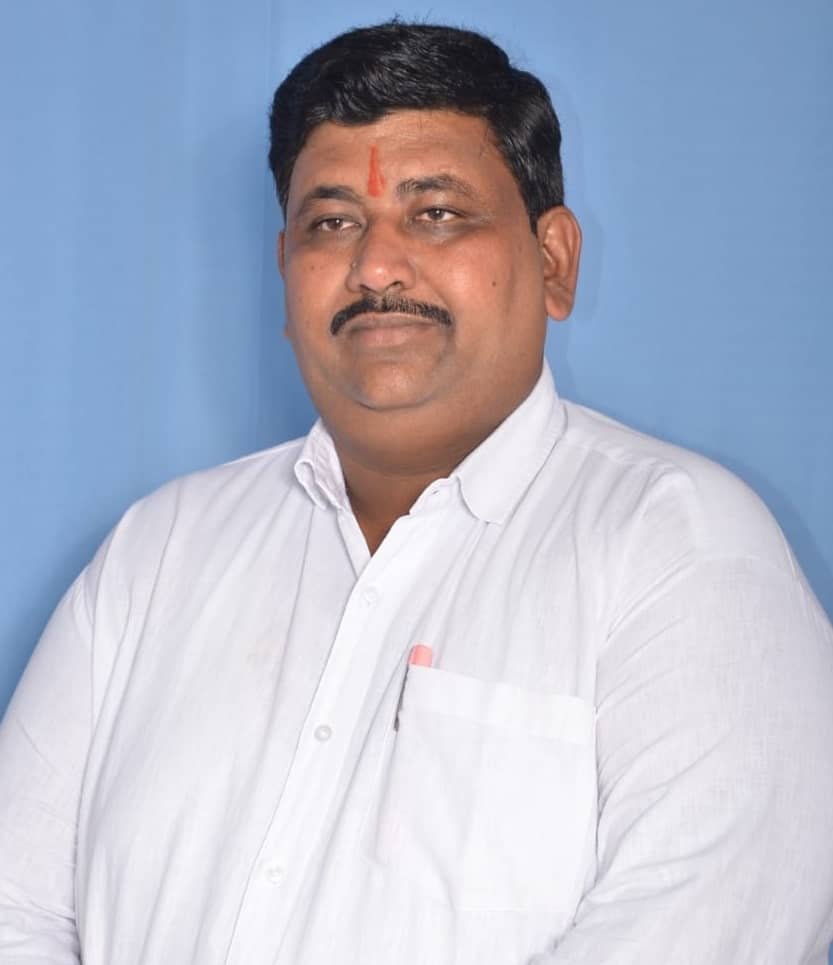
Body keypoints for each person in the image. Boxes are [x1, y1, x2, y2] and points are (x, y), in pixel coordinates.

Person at [2, 19, 833, 965]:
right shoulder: (157, 553)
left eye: (435, 213)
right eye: (331, 223)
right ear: (284, 269)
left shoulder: (683, 547)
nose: (375, 266)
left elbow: (703, 927)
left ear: (553, 261)